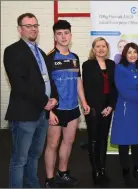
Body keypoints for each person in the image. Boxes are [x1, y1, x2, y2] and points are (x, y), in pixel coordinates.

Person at [3, 13, 58, 188]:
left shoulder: (40, 52)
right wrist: (44, 101)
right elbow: (20, 84)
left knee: (34, 156)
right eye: (28, 26)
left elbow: (48, 79)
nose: (33, 28)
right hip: (24, 114)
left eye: (35, 25)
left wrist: (53, 98)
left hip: (41, 114)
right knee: (19, 159)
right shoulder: (12, 51)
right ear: (20, 29)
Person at [44, 20, 90, 188]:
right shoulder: (48, 58)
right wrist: (49, 112)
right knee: (52, 144)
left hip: (73, 109)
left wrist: (83, 102)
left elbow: (78, 81)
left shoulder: (74, 57)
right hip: (55, 110)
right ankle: (49, 179)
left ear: (70, 35)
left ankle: (62, 173)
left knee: (68, 142)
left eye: (66, 33)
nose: (63, 37)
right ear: (55, 36)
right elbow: (44, 86)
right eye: (59, 33)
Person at [110, 42, 138, 187]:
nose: (132, 54)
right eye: (129, 52)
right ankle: (126, 171)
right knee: (124, 142)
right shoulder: (120, 69)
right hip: (125, 109)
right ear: (125, 54)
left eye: (135, 52)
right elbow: (123, 91)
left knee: (137, 142)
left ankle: (137, 169)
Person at [82, 37, 118, 185]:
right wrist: (96, 108)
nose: (101, 49)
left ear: (107, 48)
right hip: (93, 108)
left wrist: (110, 106)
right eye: (98, 46)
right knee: (94, 139)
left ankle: (102, 169)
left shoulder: (111, 64)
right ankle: (95, 170)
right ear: (93, 49)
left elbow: (114, 87)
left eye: (104, 46)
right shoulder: (87, 65)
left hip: (107, 107)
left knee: (103, 139)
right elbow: (87, 88)